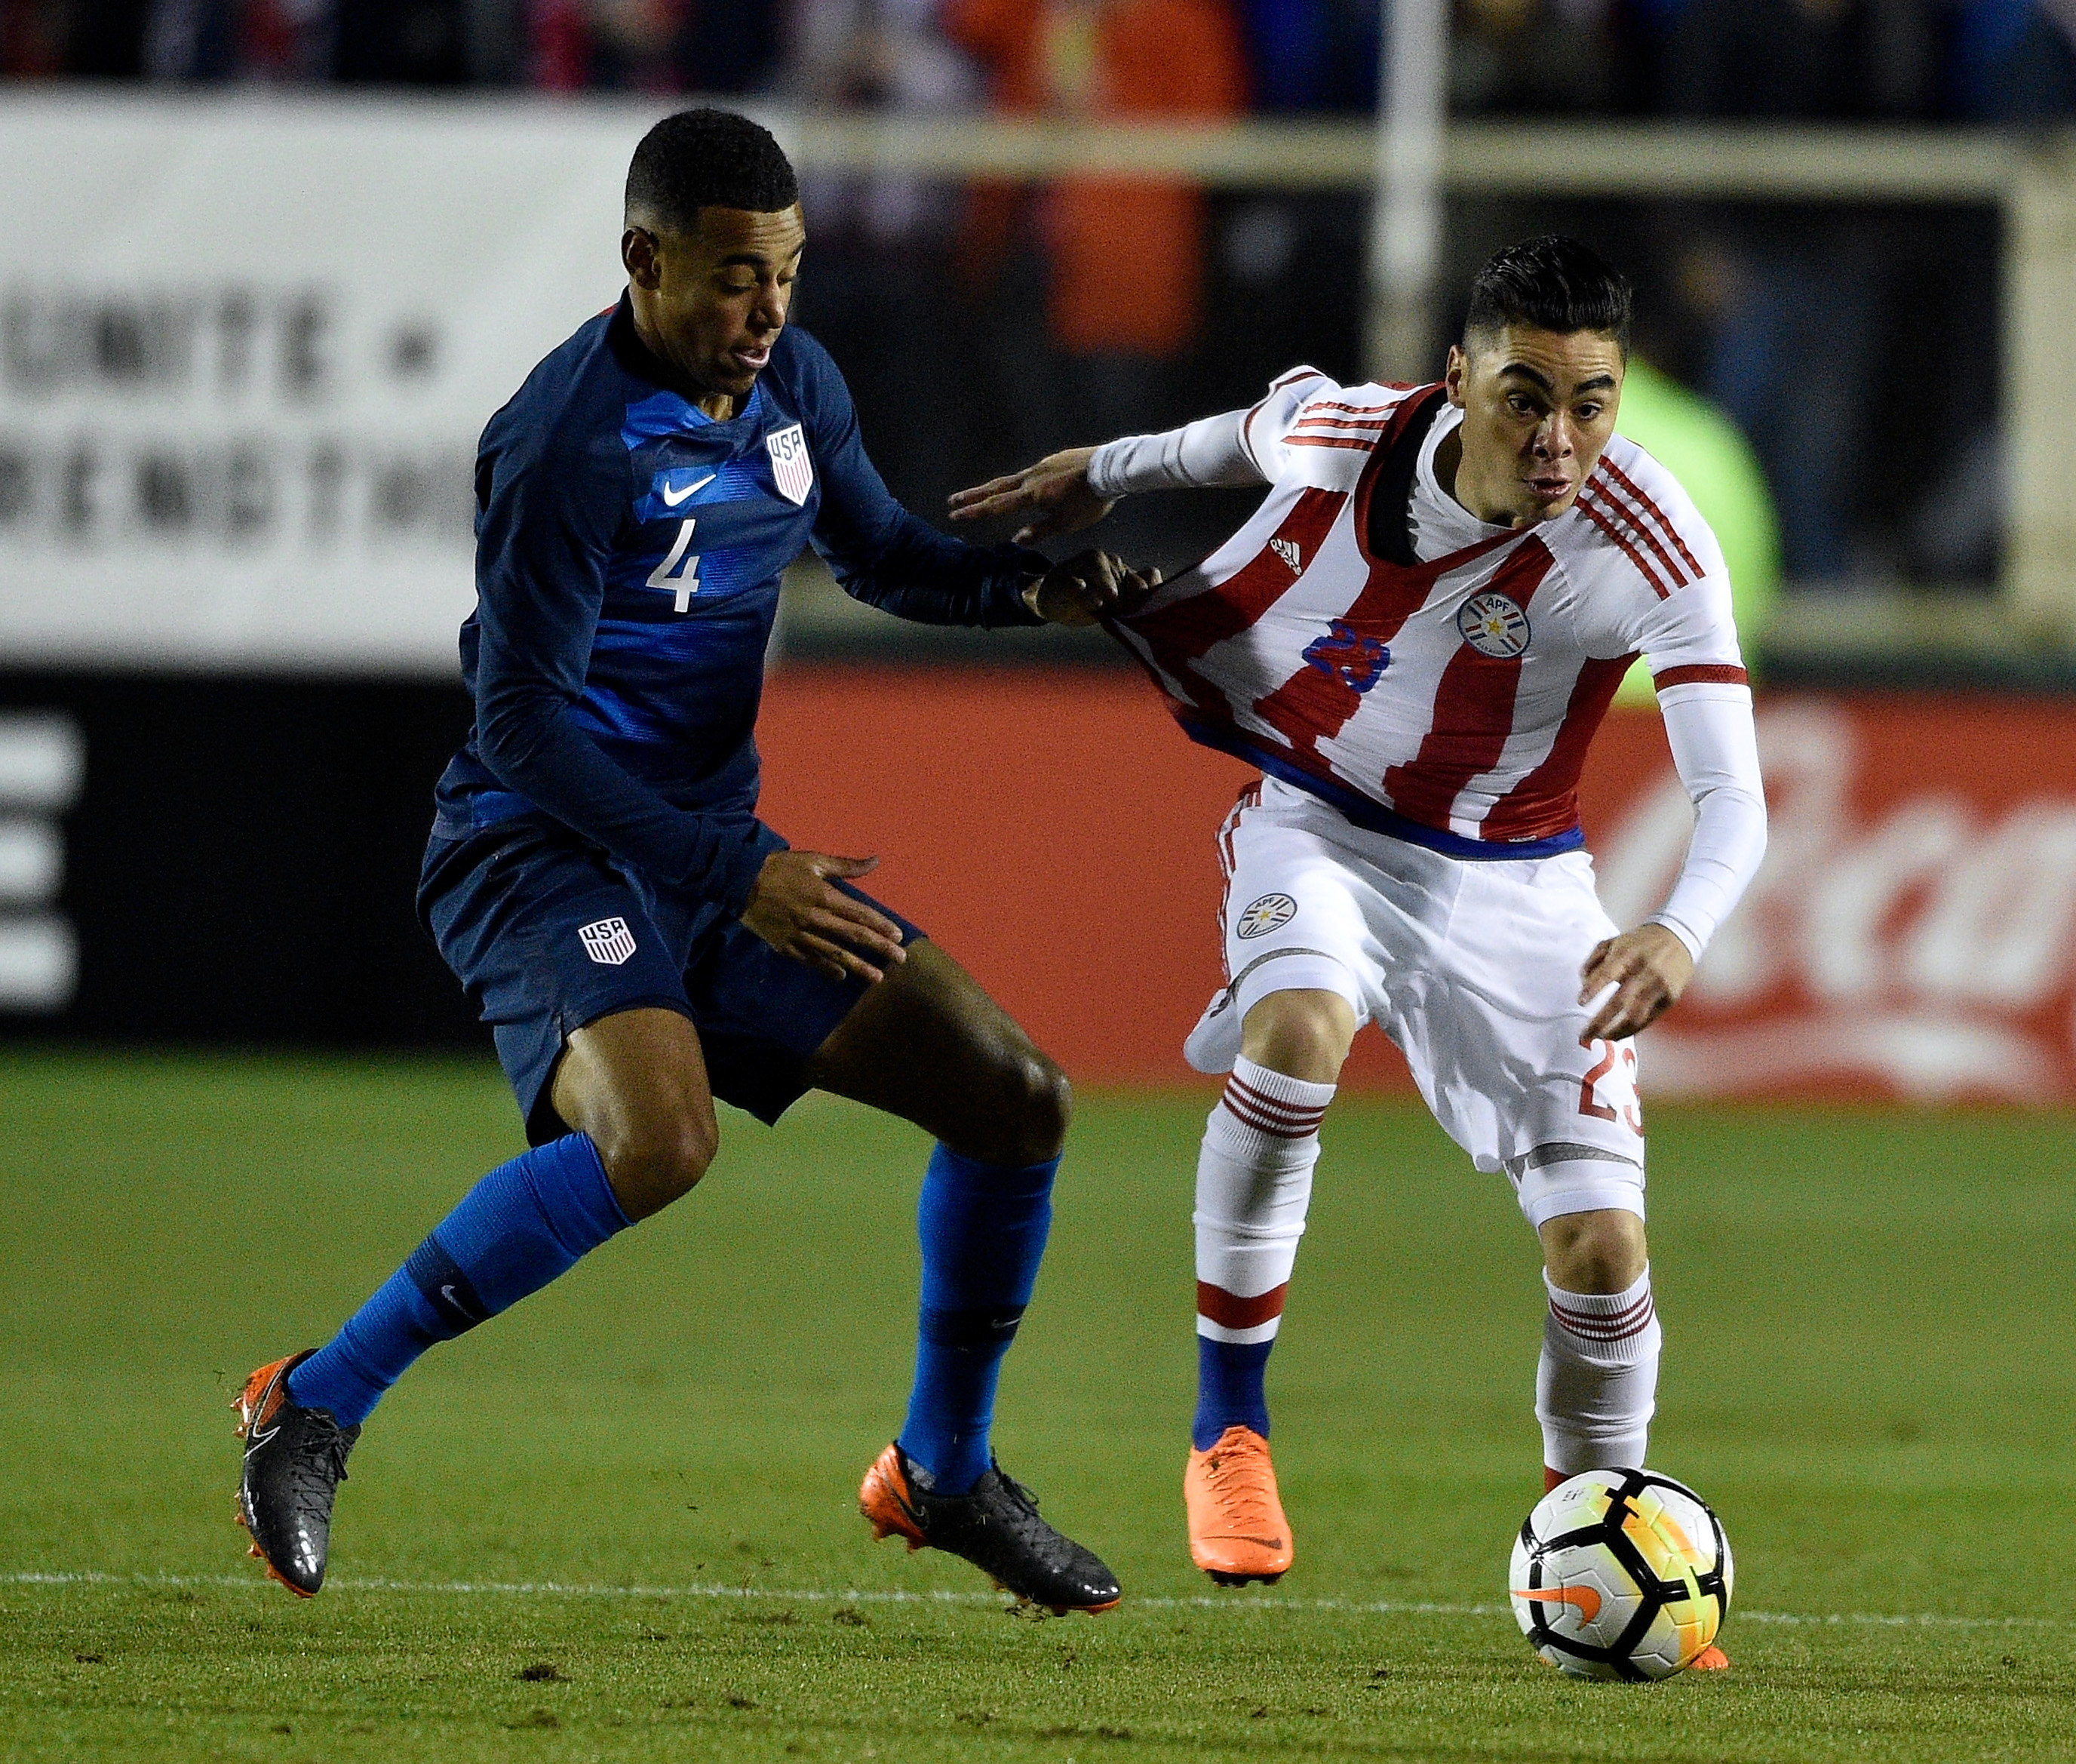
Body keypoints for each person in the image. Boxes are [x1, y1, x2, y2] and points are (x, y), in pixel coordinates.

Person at [232, 107, 1147, 1617]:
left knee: (1016, 1098)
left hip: (709, 858)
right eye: (733, 277)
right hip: (540, 846)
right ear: (643, 261)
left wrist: (1034, 592)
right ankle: (313, 1399)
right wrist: (734, 874)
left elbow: (880, 554)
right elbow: (522, 726)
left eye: (785, 273)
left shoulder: (795, 383)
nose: (767, 309)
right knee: (661, 1141)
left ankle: (943, 1469)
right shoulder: (565, 440)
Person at [950, 236, 1766, 1666]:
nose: (1559, 440)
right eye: (1525, 399)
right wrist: (1103, 472)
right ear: (1457, 380)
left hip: (1522, 883)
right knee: (1298, 1032)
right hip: (1318, 823)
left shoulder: (1651, 533)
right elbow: (1232, 435)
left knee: (1601, 1250)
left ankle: (1599, 1531)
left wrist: (1677, 929)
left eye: (1591, 404)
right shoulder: (1353, 436)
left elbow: (1734, 796)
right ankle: (1229, 1429)